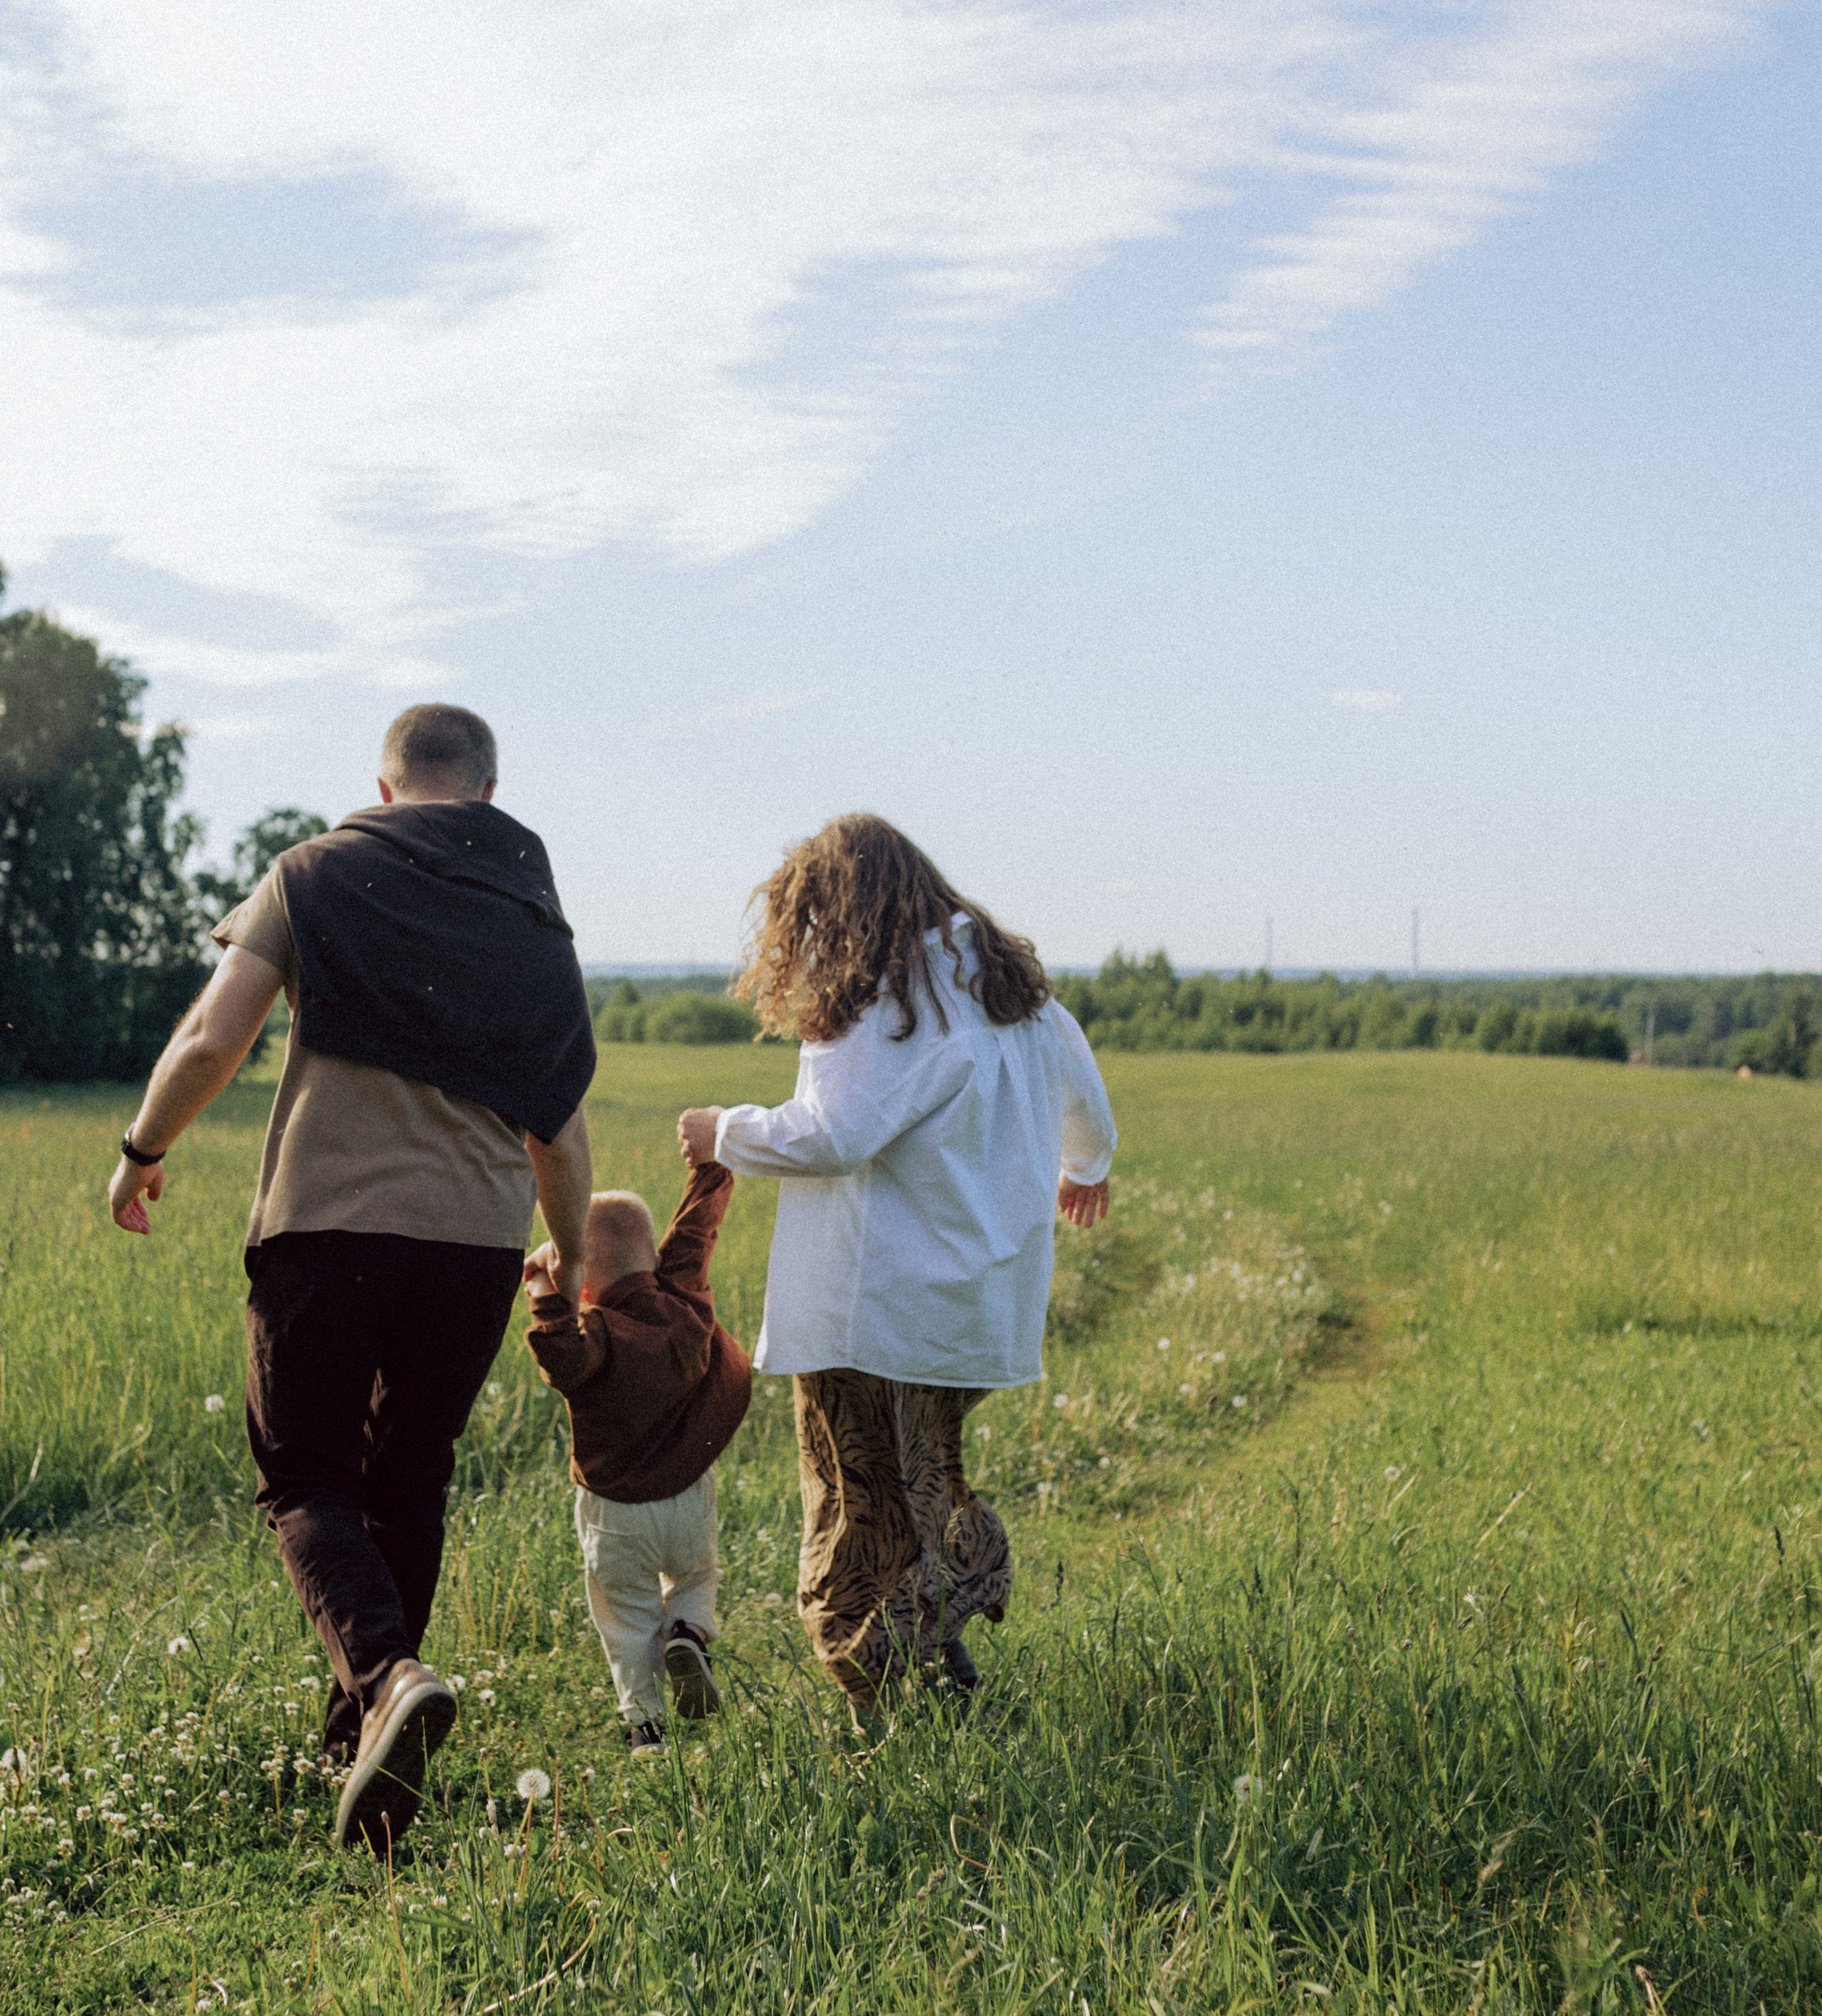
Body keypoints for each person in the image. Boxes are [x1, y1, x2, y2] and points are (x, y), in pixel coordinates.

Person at [106, 704, 595, 1852]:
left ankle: (381, 1682)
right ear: (484, 793)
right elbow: (560, 1135)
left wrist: (142, 1150)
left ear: (383, 790)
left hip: (325, 1229)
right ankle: (361, 1759)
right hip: (474, 1244)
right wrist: (569, 1260)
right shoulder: (532, 918)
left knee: (305, 1475)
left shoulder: (312, 873)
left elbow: (210, 1044)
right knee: (410, 1477)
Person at [676, 813, 1113, 1713]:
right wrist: (1086, 1169)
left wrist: (722, 1130)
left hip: (871, 1308)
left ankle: (883, 1701)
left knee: (851, 1504)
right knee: (923, 1479)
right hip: (977, 1306)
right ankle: (942, 1652)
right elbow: (1089, 1107)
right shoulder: (1008, 987)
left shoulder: (880, 997)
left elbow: (834, 1135)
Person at [521, 1163, 753, 1750]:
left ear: (585, 1286)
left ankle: (646, 1731)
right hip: (688, 1496)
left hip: (615, 1510)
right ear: (650, 1256)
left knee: (625, 1619)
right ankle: (688, 1634)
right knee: (698, 1574)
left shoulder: (593, 1331)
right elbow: (695, 1233)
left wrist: (549, 1297)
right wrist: (707, 1165)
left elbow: (562, 1357)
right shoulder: (685, 1300)